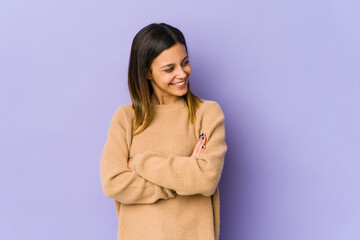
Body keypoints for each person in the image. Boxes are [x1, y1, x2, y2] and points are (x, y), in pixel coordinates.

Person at [99, 22, 228, 240]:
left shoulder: (208, 113)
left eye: (185, 63)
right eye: (169, 69)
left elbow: (206, 179)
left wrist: (140, 163)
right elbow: (113, 182)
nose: (182, 73)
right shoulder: (126, 118)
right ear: (147, 72)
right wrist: (184, 179)